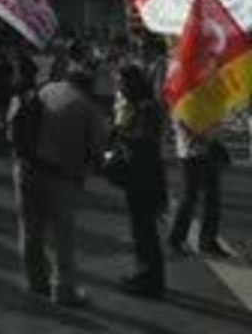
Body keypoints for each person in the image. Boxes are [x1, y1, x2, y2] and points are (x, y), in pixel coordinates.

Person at [14, 63, 107, 307]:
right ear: (87, 86)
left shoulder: (46, 89)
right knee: (62, 237)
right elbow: (98, 149)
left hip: (25, 169)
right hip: (59, 177)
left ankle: (36, 282)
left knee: (30, 230)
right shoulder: (87, 106)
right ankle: (63, 290)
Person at [112, 64, 166, 298]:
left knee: (145, 232)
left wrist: (119, 134)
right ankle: (146, 275)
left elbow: (144, 141)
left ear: (133, 83)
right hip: (138, 177)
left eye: (122, 83)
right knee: (141, 231)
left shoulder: (147, 108)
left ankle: (150, 280)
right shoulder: (140, 106)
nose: (120, 88)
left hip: (145, 179)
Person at [167, 119, 229, 257]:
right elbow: (179, 120)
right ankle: (175, 240)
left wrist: (215, 134)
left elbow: (217, 121)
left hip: (211, 151)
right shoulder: (185, 101)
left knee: (213, 200)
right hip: (190, 154)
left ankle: (208, 242)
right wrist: (194, 136)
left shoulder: (211, 100)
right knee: (189, 198)